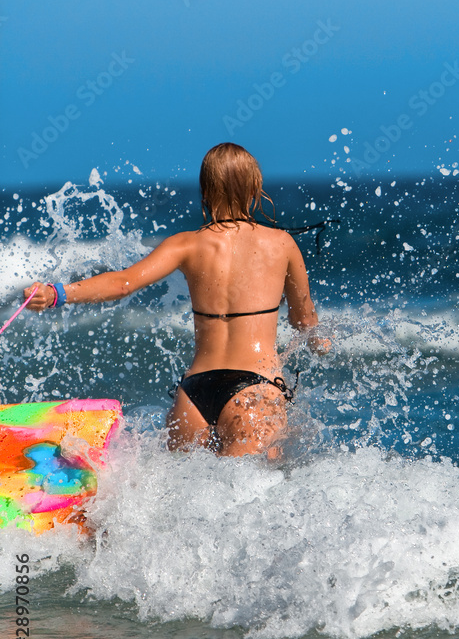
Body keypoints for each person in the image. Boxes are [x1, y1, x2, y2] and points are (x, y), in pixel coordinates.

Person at [24, 143, 326, 457]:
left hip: (193, 394)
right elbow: (304, 320)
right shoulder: (281, 244)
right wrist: (320, 343)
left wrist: (56, 293)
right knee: (256, 495)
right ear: (254, 188)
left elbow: (123, 283)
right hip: (253, 392)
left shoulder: (185, 244)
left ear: (206, 191)